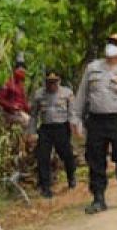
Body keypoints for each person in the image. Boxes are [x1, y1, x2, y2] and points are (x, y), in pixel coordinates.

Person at [73, 34, 117, 213]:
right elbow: (81, 95)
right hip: (96, 120)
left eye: (116, 44)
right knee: (95, 159)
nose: (111, 47)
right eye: (109, 43)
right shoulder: (92, 68)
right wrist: (75, 119)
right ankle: (98, 197)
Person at [26, 70, 79, 198]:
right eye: (49, 82)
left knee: (67, 155)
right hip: (46, 129)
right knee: (42, 156)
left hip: (62, 127)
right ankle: (45, 187)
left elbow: (72, 112)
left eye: (54, 82)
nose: (52, 85)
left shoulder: (67, 93)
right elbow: (33, 115)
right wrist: (31, 132)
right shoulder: (39, 94)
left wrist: (74, 126)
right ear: (45, 82)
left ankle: (71, 176)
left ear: (59, 81)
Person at [0, 62, 31, 127]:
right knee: (28, 122)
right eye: (20, 71)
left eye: (23, 72)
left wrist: (32, 110)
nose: (21, 73)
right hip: (9, 113)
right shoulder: (8, 84)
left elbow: (24, 103)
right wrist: (11, 106)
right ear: (15, 71)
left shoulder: (21, 86)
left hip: (20, 113)